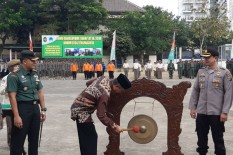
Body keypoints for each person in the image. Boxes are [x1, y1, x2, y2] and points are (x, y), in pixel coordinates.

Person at [70, 73, 131, 155]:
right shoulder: (104, 95)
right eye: (120, 90)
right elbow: (101, 115)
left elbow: (88, 83)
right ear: (116, 86)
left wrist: (92, 95)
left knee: (87, 137)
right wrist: (114, 126)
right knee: (90, 138)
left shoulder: (104, 78)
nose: (119, 93)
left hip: (79, 106)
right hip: (81, 111)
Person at [189, 47, 233, 155]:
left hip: (217, 113)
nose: (205, 59)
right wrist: (193, 108)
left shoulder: (224, 73)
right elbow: (195, 90)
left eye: (208, 57)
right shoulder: (201, 72)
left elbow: (229, 93)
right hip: (202, 111)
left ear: (215, 58)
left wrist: (225, 112)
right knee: (201, 139)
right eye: (204, 57)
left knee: (218, 139)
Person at [7, 50, 47, 155]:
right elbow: (12, 96)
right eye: (33, 61)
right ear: (24, 61)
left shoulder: (34, 74)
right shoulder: (14, 76)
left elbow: (40, 91)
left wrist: (43, 109)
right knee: (18, 141)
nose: (35, 63)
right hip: (22, 109)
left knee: (34, 140)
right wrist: (16, 116)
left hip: (35, 108)